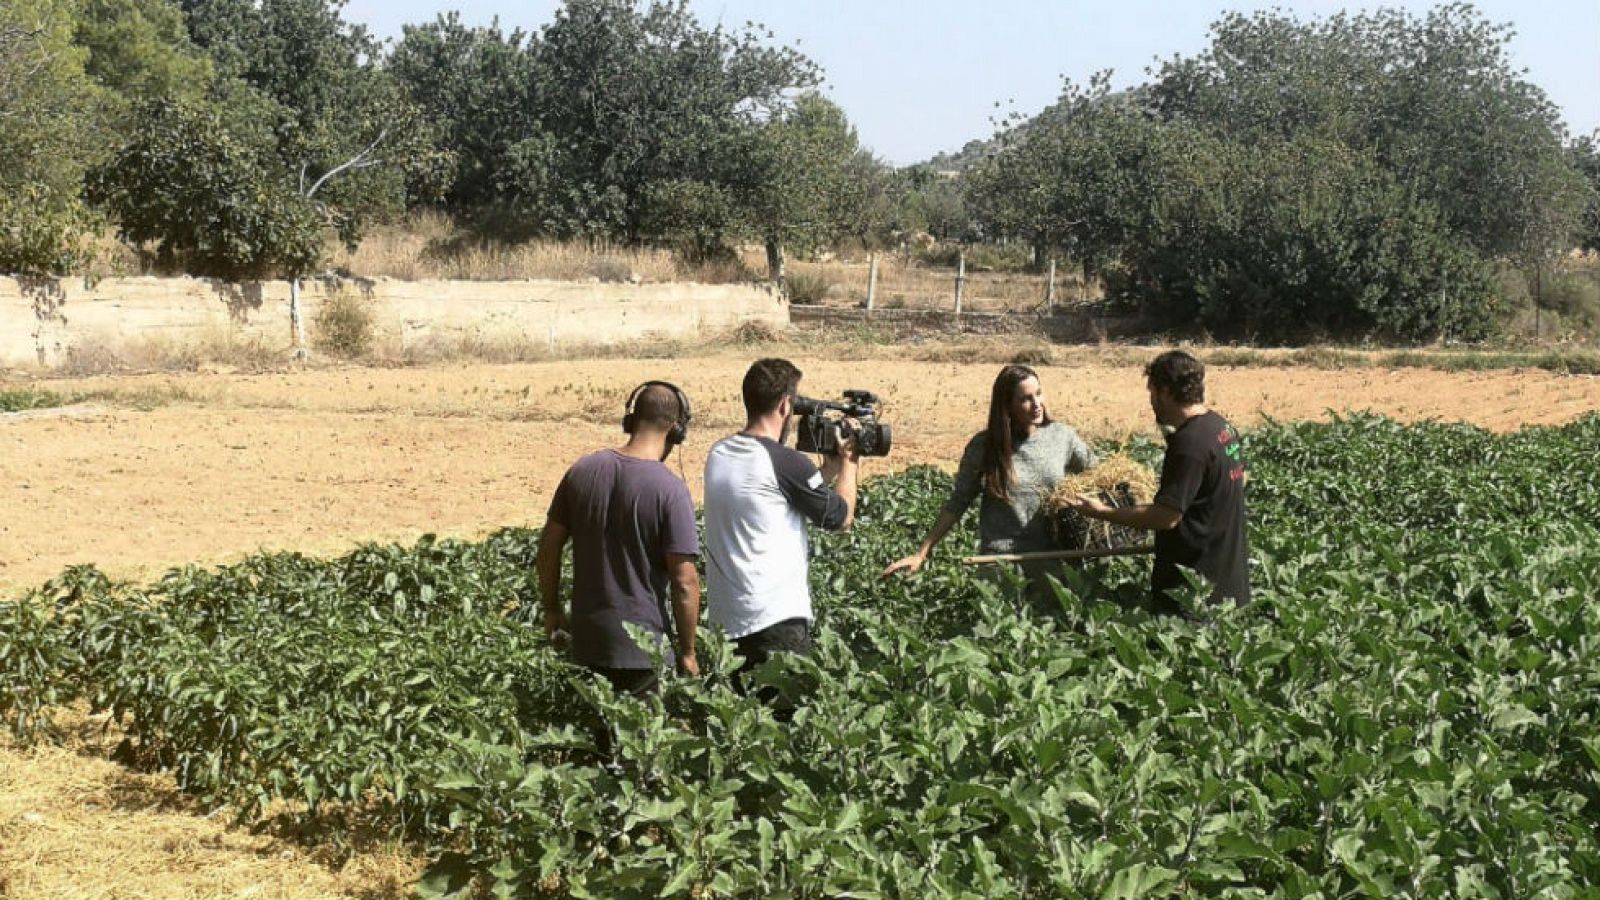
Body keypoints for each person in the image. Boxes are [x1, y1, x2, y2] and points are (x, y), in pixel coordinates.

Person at [535, 380, 701, 704]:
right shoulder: (671, 490)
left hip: (587, 641)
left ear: (631, 419)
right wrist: (689, 651)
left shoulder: (581, 471)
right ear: (675, 429)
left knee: (598, 746)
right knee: (639, 750)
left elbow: (549, 547)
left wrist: (552, 608)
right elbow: (685, 582)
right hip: (644, 651)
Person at [702, 358, 859, 683]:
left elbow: (776, 493)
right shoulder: (786, 462)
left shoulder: (720, 453)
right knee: (783, 726)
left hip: (727, 623)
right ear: (787, 405)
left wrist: (825, 472)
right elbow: (841, 518)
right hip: (774, 623)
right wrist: (849, 463)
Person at [1063, 350, 1250, 616]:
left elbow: (1166, 517)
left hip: (1193, 596)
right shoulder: (1222, 428)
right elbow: (1238, 480)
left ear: (1164, 391)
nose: (1151, 401)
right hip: (1229, 588)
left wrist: (1102, 512)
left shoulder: (1189, 444)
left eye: (1152, 392)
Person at [883, 364, 1096, 583]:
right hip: (1001, 563)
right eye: (1025, 399)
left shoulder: (1062, 437)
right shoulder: (985, 446)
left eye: (1039, 394)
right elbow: (959, 501)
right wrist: (922, 552)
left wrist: (1120, 518)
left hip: (1052, 561)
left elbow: (1098, 476)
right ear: (1008, 406)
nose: (1036, 405)